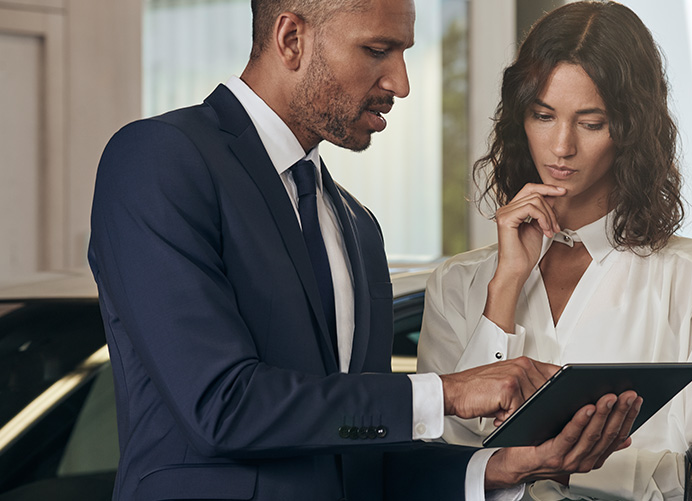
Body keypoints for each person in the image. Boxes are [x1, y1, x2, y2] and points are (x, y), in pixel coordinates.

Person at [87, 0, 642, 499]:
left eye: (403, 53)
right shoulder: (158, 160)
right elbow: (222, 406)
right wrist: (444, 393)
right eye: (378, 50)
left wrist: (505, 467)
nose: (400, 83)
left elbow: (359, 456)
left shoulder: (355, 224)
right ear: (291, 39)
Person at [417, 1, 692, 500]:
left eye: (591, 123)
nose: (561, 146)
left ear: (631, 128)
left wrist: (559, 468)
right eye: (543, 115)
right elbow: (441, 463)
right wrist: (505, 287)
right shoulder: (456, 285)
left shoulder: (688, 275)